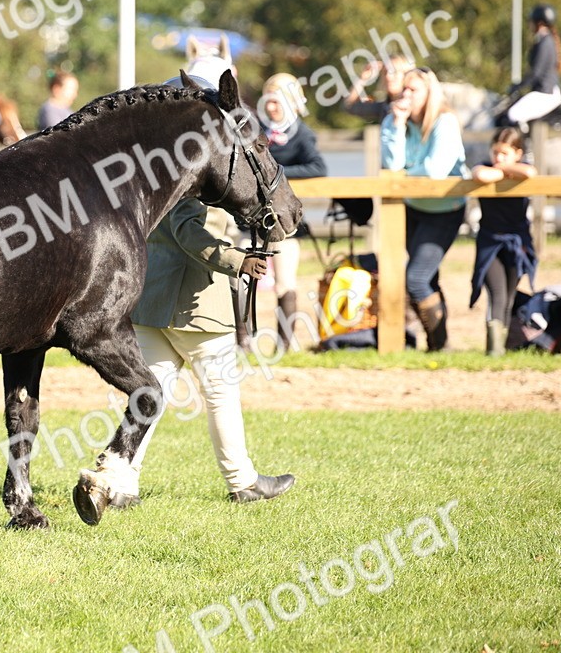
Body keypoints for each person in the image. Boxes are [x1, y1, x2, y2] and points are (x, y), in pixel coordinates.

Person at [98, 195, 295, 509]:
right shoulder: (196, 177)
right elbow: (188, 229)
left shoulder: (159, 167)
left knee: (148, 396)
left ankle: (122, 484)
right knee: (220, 394)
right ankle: (242, 481)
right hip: (197, 306)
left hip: (152, 298)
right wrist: (237, 260)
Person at [381, 67, 469, 351]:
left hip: (445, 209)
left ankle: (440, 345)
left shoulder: (445, 121)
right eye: (404, 89)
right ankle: (436, 346)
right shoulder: (395, 121)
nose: (406, 95)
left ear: (430, 92)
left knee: (416, 278)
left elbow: (435, 171)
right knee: (427, 277)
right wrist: (396, 123)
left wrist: (405, 176)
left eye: (413, 89)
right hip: (412, 209)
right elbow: (392, 166)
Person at [258, 73, 326, 350]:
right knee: (238, 280)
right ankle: (241, 342)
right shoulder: (255, 129)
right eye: (269, 101)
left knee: (284, 282)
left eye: (278, 101)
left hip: (285, 222)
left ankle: (284, 345)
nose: (272, 107)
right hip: (249, 221)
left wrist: (276, 175)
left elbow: (318, 168)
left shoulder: (302, 134)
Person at [469, 128, 537, 356]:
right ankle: (494, 349)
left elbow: (530, 173)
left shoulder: (522, 167)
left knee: (509, 295)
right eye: (495, 152)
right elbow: (480, 175)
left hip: (516, 242)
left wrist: (506, 169)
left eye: (504, 153)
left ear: (517, 153)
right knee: (497, 292)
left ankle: (503, 344)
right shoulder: (484, 165)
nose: (498, 158)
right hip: (490, 242)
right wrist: (503, 170)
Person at [504, 4, 561, 131]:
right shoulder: (548, 40)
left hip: (545, 92)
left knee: (513, 114)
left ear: (539, 23)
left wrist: (517, 86)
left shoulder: (544, 42)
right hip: (547, 90)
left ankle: (525, 149)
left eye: (532, 22)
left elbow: (536, 73)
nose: (530, 25)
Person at [344, 54, 412, 121]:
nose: (388, 76)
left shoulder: (415, 106)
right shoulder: (383, 107)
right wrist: (363, 79)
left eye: (394, 72)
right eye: (385, 72)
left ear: (407, 74)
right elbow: (349, 106)